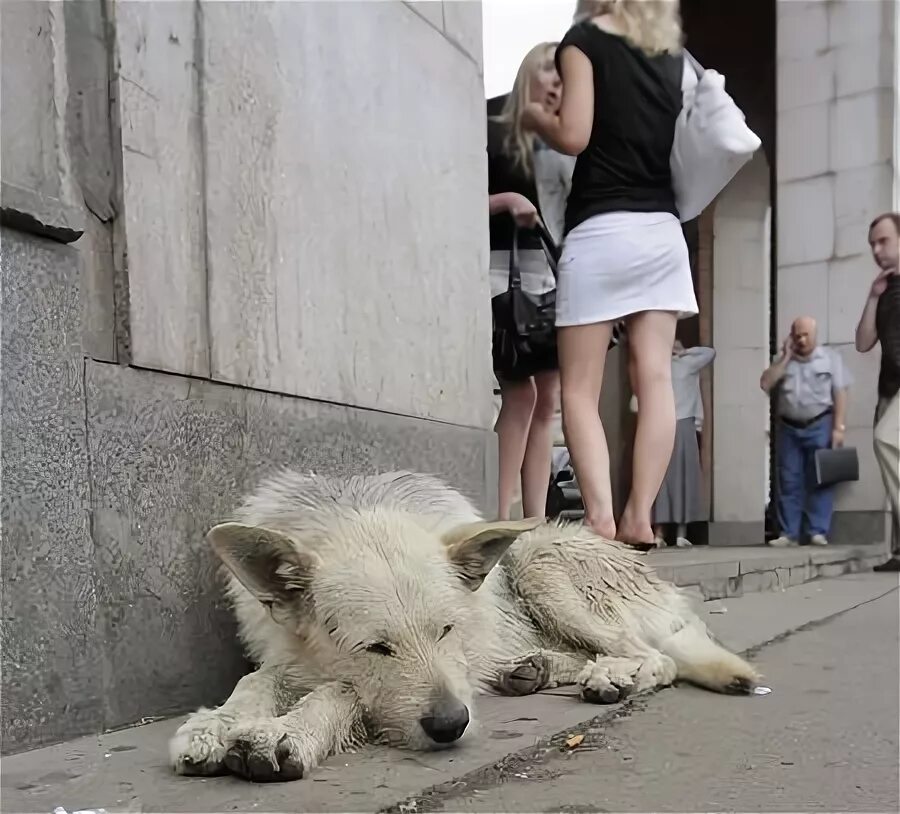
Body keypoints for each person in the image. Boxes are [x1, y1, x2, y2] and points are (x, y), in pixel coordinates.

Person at [521, 0, 697, 549]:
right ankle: (640, 518)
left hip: (601, 229)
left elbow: (574, 134)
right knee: (656, 380)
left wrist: (532, 119)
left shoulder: (585, 40)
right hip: (663, 233)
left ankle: (598, 518)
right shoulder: (672, 53)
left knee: (579, 388)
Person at [487, 42, 571, 521]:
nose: (557, 82)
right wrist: (506, 200)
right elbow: (448, 199)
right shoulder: (493, 125)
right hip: (504, 275)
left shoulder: (567, 143)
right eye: (549, 71)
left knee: (547, 401)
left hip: (552, 282)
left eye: (565, 76)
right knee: (523, 393)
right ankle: (500, 514)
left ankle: (535, 522)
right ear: (528, 74)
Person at [760, 317, 853, 547]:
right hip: (789, 427)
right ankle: (788, 534)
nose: (801, 340)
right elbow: (765, 383)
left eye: (805, 335)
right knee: (788, 480)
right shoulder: (782, 361)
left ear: (815, 334)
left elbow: (840, 392)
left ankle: (817, 531)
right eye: (797, 335)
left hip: (820, 423)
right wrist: (786, 356)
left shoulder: (830, 359)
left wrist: (839, 427)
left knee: (821, 479)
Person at [854, 212, 900, 572]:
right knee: (891, 463)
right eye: (872, 243)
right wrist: (872, 296)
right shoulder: (884, 289)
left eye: (883, 241)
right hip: (889, 388)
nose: (876, 249)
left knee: (886, 441)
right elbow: (863, 342)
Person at [645, 340, 715, 547]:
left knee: (685, 478)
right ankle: (659, 532)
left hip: (684, 422)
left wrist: (684, 352)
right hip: (661, 422)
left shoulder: (686, 363)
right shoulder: (657, 367)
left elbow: (710, 353)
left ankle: (681, 534)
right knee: (661, 479)